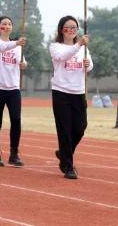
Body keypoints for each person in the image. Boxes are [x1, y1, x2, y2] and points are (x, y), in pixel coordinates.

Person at [49, 16, 92, 179]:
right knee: (65, 129)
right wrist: (79, 44)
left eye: (75, 27)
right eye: (68, 27)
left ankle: (64, 153)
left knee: (80, 127)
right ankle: (68, 166)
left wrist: (88, 65)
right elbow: (63, 57)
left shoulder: (83, 48)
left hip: (78, 92)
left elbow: (89, 65)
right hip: (61, 92)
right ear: (62, 30)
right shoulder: (55, 47)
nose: (72, 30)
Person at [0, 16, 27, 167]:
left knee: (16, 120)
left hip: (13, 89)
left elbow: (22, 61)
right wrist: (16, 43)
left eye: (10, 23)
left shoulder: (17, 47)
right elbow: (0, 48)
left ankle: (14, 153)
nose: (7, 26)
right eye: (4, 24)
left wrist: (23, 64)